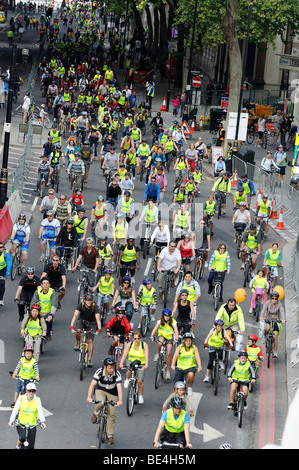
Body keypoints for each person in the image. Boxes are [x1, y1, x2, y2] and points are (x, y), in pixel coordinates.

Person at [87, 356, 123, 446]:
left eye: (113, 367)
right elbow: (92, 385)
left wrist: (120, 400)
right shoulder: (99, 372)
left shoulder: (117, 374)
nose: (112, 370)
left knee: (112, 414)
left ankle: (110, 435)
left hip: (112, 393)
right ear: (105, 367)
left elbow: (119, 387)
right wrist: (89, 397)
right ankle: (96, 414)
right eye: (110, 368)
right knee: (99, 402)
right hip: (101, 390)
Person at [8, 382, 46, 449]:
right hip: (21, 424)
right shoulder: (21, 398)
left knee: (31, 447)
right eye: (29, 390)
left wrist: (43, 421)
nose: (31, 393)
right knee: (22, 438)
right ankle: (18, 446)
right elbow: (15, 409)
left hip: (32, 425)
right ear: (26, 390)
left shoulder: (37, 400)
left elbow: (40, 411)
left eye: (33, 391)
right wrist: (11, 420)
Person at [70, 293, 102, 367]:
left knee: (90, 340)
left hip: (91, 322)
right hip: (82, 320)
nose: (89, 302)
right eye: (87, 300)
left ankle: (89, 360)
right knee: (77, 331)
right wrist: (71, 326)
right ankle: (78, 343)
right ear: (84, 300)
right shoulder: (80, 305)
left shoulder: (95, 307)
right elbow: (75, 315)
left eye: (90, 300)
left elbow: (97, 318)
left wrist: (99, 328)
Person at [119, 331, 149, 404]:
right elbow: (125, 353)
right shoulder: (130, 344)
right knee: (129, 371)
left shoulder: (144, 345)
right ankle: (127, 379)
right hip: (131, 361)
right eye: (135, 338)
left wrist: (146, 365)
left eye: (138, 338)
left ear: (140, 338)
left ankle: (140, 396)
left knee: (139, 381)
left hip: (140, 363)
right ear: (133, 339)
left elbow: (146, 355)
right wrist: (121, 363)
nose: (137, 340)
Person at [150, 308, 179, 380]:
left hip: (169, 337)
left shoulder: (173, 322)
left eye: (168, 316)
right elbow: (155, 329)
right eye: (165, 316)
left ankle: (167, 372)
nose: (167, 317)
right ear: (163, 316)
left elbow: (176, 331)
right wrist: (152, 336)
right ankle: (158, 354)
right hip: (162, 336)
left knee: (168, 353)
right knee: (159, 343)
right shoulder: (160, 321)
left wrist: (176, 339)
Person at [171, 332, 202, 396]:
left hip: (190, 367)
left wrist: (199, 366)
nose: (188, 342)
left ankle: (190, 388)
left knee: (191, 375)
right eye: (187, 341)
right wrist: (173, 364)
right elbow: (175, 356)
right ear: (184, 341)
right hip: (180, 367)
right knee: (177, 384)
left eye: (190, 341)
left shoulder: (194, 348)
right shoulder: (180, 347)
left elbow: (197, 357)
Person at [260, 291, 286, 357]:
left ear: (277, 299)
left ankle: (274, 352)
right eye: (273, 298)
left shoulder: (279, 304)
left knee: (275, 336)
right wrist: (261, 316)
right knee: (267, 328)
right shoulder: (267, 303)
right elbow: (263, 310)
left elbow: (282, 311)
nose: (274, 300)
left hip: (276, 321)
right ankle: (265, 337)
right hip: (268, 320)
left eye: (275, 298)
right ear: (270, 298)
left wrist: (283, 319)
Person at [0, 241, 12, 307]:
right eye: (0, 247)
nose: (2, 248)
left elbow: (9, 263)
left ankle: (1, 299)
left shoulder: (6, 253)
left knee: (1, 284)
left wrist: (7, 274)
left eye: (2, 247)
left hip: (2, 269)